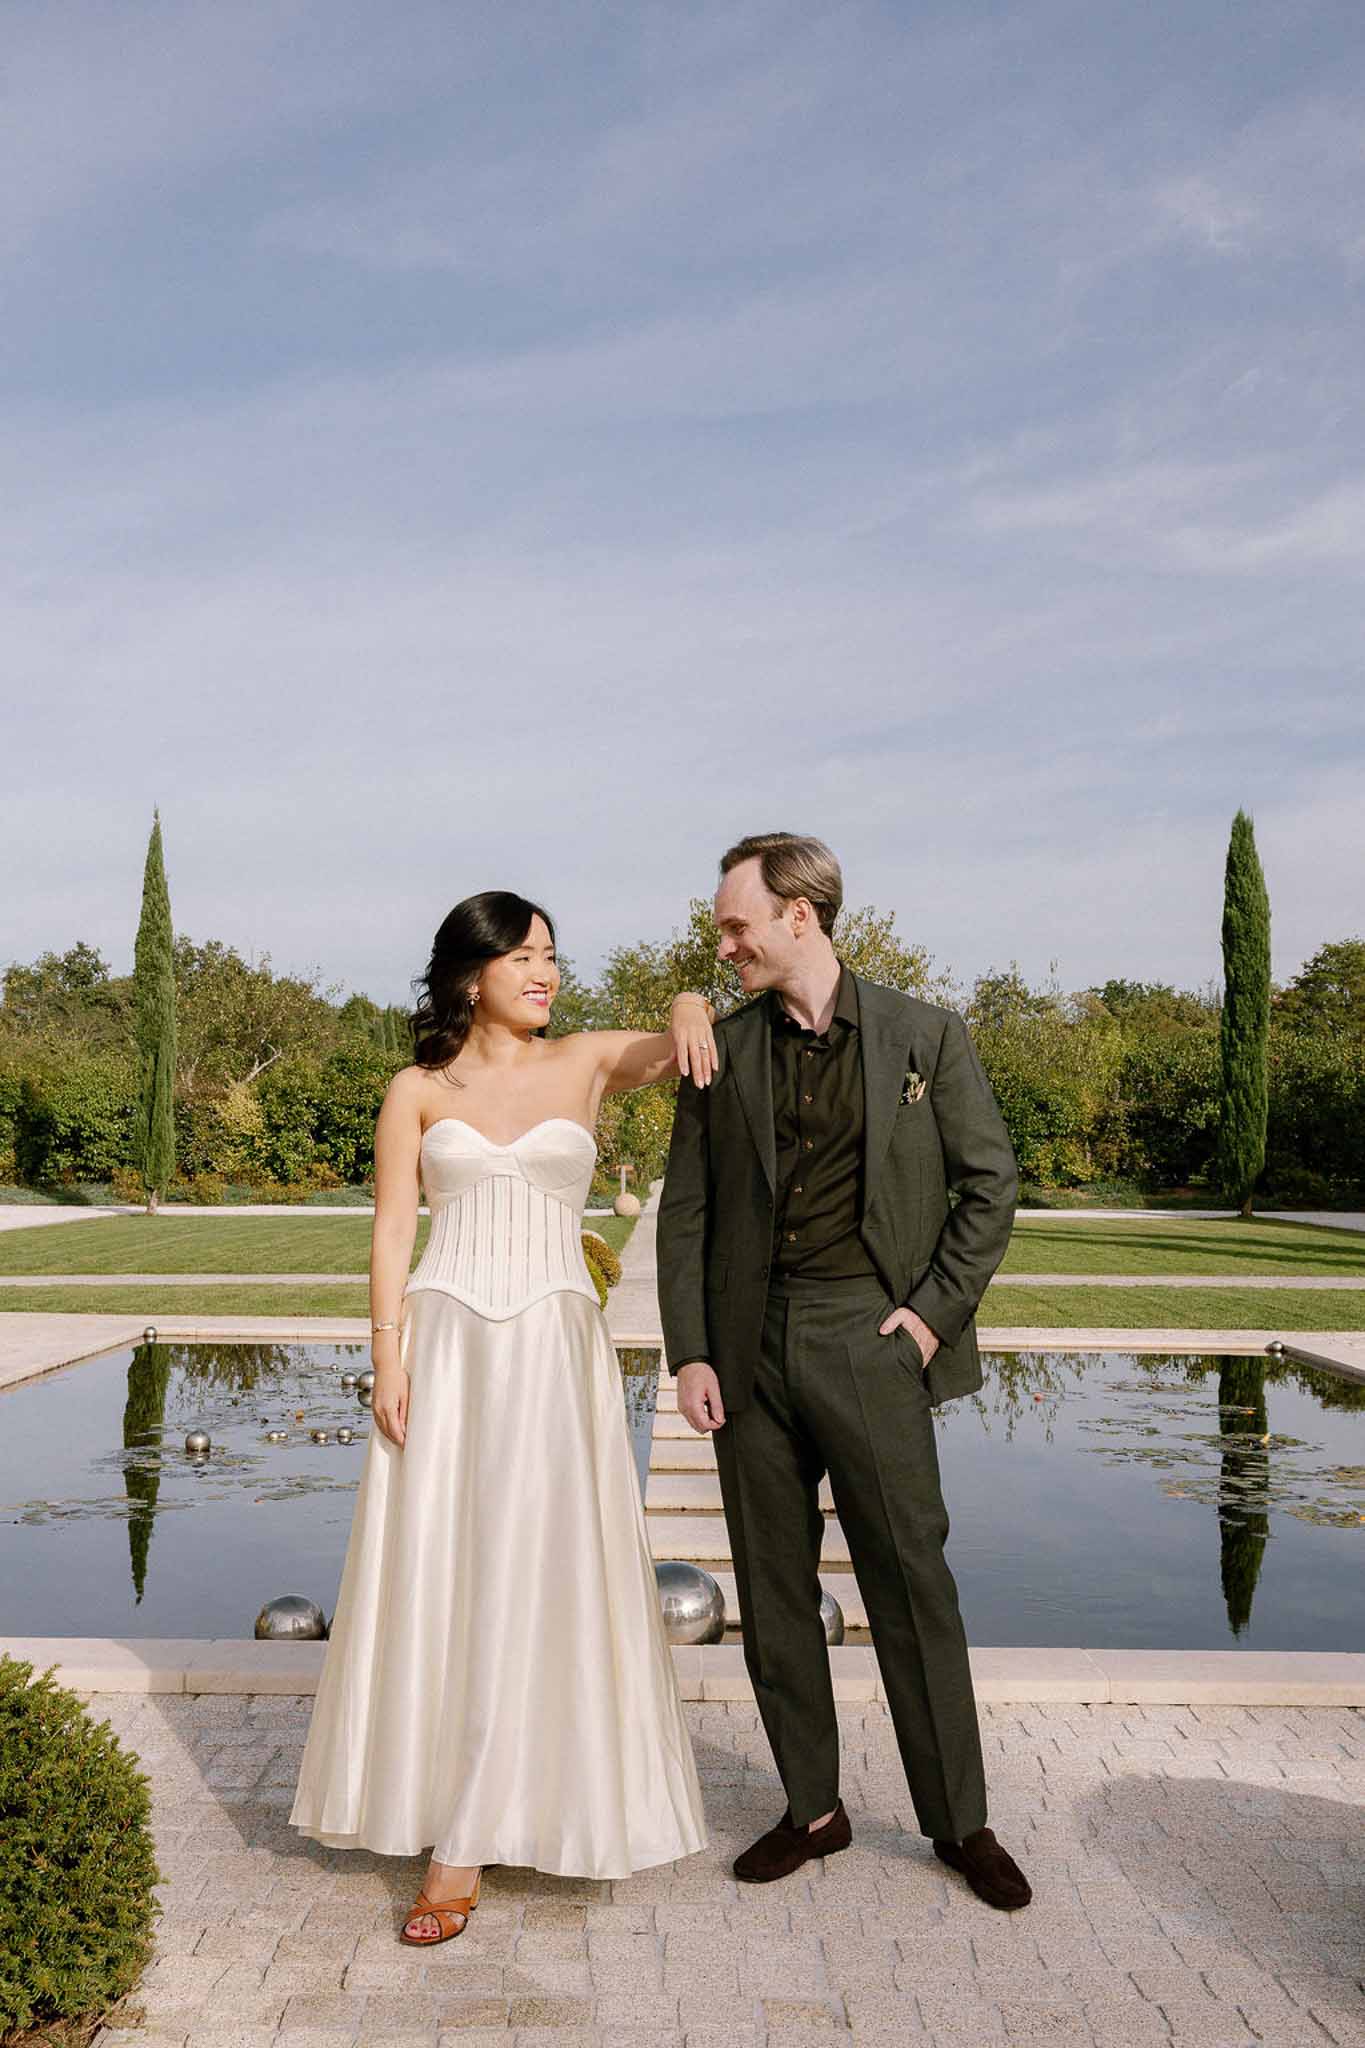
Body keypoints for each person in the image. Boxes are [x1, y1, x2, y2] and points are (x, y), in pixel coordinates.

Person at [291, 891, 715, 1942]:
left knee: (546, 1571)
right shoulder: (416, 1088)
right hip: (447, 1341)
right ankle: (452, 1827)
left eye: (553, 956)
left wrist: (693, 995)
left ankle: (536, 1803)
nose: (545, 973)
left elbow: (672, 1038)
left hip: (553, 1351)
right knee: (447, 1570)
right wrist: (386, 1356)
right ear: (468, 973)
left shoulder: (586, 1059)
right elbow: (392, 1231)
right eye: (522, 956)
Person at [656, 833, 1031, 1911]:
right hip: (746, 1348)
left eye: (737, 924)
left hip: (869, 1336)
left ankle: (961, 1820)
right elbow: (687, 1213)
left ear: (800, 916)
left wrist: (926, 1321)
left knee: (912, 1581)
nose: (723, 943)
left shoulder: (926, 1034)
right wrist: (691, 1349)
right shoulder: (720, 1049)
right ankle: (812, 1809)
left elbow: (989, 1186)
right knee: (773, 1590)